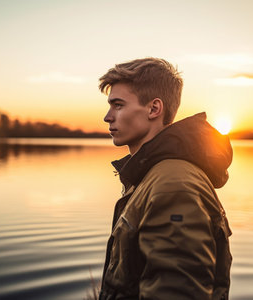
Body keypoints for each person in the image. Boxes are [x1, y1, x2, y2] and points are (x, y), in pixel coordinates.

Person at [98, 58, 233, 300]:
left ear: (153, 109)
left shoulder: (174, 185)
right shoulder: (154, 175)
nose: (108, 117)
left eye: (118, 105)